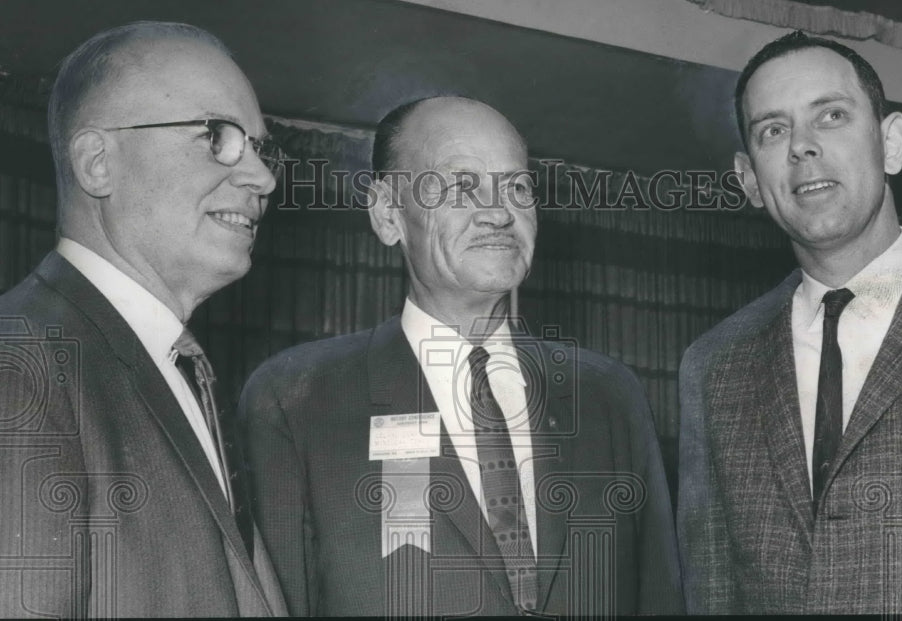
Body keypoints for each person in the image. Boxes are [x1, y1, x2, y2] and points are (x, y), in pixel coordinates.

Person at [240, 95, 684, 616]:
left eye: (517, 186)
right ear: (388, 215)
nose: (499, 212)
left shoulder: (609, 396)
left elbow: (659, 596)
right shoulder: (295, 399)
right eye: (461, 186)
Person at [678, 30, 902, 614]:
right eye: (774, 130)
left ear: (891, 143)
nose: (802, 146)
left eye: (830, 115)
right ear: (750, 178)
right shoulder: (715, 366)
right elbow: (712, 590)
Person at [0, 21, 287, 617]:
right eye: (218, 137)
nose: (263, 179)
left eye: (261, 148)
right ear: (98, 163)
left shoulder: (173, 369)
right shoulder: (18, 367)